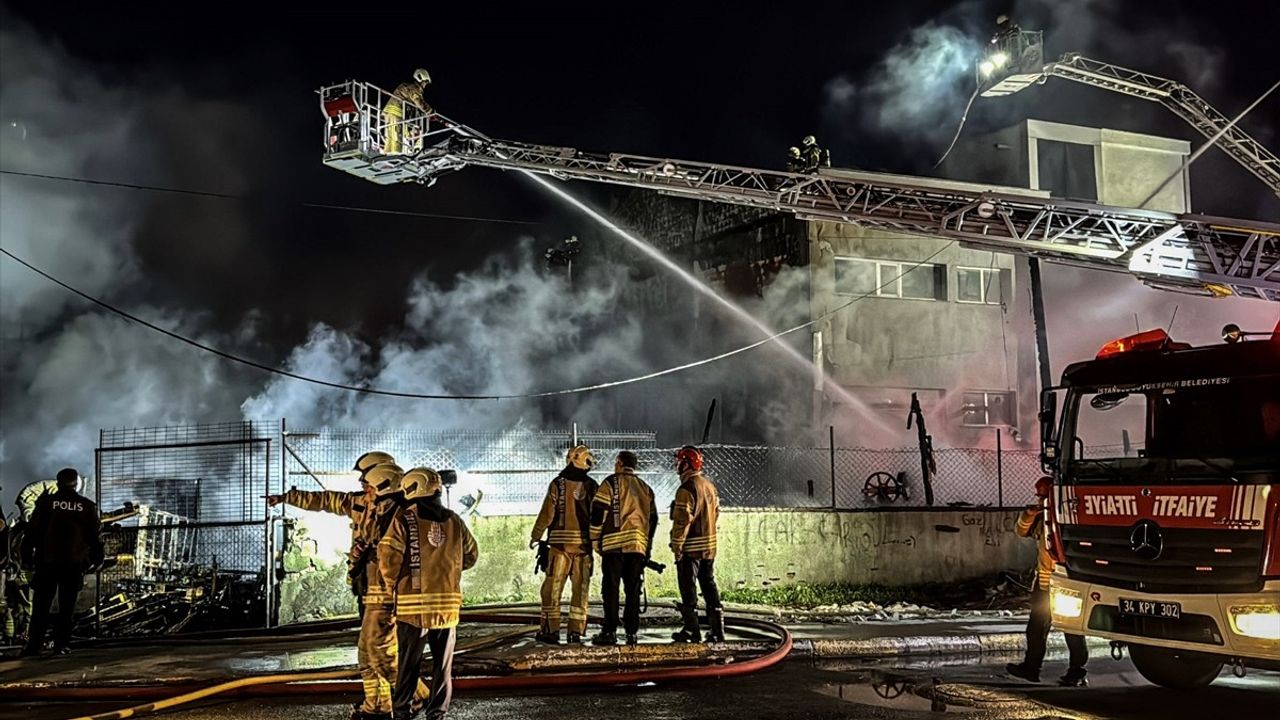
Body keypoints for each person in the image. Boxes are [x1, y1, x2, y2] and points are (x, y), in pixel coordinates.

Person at [267, 451, 401, 719]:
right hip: (366, 586)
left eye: (367, 478)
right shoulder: (361, 501)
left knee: (378, 650)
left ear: (383, 476)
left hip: (386, 590)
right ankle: (377, 705)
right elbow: (326, 500)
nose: (362, 482)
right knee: (370, 652)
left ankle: (412, 696)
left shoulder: (402, 509)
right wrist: (287, 498)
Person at [380, 467, 478, 720]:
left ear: (412, 488)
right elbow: (471, 555)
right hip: (447, 608)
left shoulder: (404, 519)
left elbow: (389, 559)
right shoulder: (455, 520)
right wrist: (450, 573)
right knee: (442, 667)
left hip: (413, 610)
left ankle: (401, 713)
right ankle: (437, 714)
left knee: (408, 666)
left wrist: (394, 588)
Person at [1007, 477, 1088, 687]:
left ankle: (1077, 672)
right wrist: (1028, 515)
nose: (1041, 500)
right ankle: (1031, 668)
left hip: (1066, 583)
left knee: (1072, 629)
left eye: (1044, 496)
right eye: (1040, 496)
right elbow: (1021, 531)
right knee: (1036, 629)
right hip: (1044, 584)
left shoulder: (1068, 516)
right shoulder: (1041, 518)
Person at [20, 468, 102, 657]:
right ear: (76, 484)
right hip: (73, 565)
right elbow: (94, 538)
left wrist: (26, 558)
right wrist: (97, 558)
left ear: (57, 483)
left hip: (46, 563)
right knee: (67, 608)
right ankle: (62, 645)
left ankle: (34, 646)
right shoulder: (87, 506)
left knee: (41, 606)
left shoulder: (45, 503)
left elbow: (31, 533)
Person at [531, 445, 598, 645]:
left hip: (559, 547)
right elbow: (598, 516)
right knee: (581, 589)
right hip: (584, 549)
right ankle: (575, 632)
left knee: (552, 588)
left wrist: (536, 535)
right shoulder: (593, 486)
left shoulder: (557, 484)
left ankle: (550, 631)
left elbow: (547, 513)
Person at [589, 451, 658, 646]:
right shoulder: (646, 488)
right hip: (637, 548)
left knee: (610, 589)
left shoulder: (610, 483)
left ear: (619, 463)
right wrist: (647, 546)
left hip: (613, 547)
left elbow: (597, 513)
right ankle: (631, 633)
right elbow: (653, 520)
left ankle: (609, 632)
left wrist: (595, 539)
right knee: (633, 590)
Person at [669, 446, 724, 643]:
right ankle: (717, 630)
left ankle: (692, 630)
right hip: (709, 547)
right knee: (709, 584)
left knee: (688, 587)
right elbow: (716, 512)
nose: (677, 465)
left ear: (686, 464)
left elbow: (682, 521)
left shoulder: (687, 488)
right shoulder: (709, 486)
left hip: (691, 549)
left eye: (680, 462)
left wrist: (677, 547)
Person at [383, 68, 432, 154]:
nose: (425, 85)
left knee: (400, 134)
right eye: (425, 82)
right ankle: (394, 154)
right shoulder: (413, 88)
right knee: (396, 136)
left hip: (398, 114)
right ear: (420, 79)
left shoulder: (408, 87)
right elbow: (419, 102)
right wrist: (430, 111)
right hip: (395, 112)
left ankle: (405, 151)